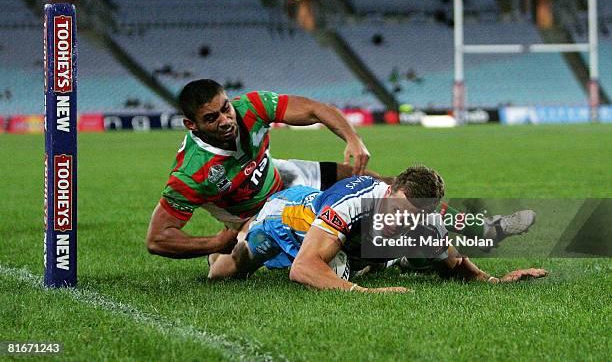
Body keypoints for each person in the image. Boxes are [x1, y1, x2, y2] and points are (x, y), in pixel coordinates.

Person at [208, 166, 547, 292]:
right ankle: (232, 236)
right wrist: (366, 294)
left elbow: (456, 266)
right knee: (227, 271)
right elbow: (303, 269)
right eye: (397, 211)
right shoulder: (355, 203)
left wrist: (497, 282)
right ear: (389, 192)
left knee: (409, 257)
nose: (400, 221)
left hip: (347, 240)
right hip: (293, 218)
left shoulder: (424, 220)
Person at [146, 79, 375, 258]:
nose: (225, 120)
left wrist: (353, 139)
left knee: (370, 183)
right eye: (211, 118)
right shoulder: (191, 173)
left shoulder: (251, 107)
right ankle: (218, 258)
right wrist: (214, 244)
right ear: (191, 125)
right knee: (224, 271)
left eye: (226, 109)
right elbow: (158, 239)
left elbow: (314, 109)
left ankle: (407, 241)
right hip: (253, 217)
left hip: (281, 177)